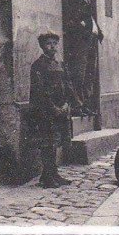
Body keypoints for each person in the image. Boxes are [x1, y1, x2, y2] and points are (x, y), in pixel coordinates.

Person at [29, 32, 75, 188]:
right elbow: (39, 91)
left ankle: (52, 173)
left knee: (56, 142)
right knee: (47, 143)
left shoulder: (60, 64)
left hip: (61, 109)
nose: (52, 46)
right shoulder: (38, 65)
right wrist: (53, 108)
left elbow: (68, 85)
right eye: (48, 43)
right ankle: (48, 177)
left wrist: (67, 104)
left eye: (55, 43)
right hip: (46, 111)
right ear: (42, 46)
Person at [64, 0, 103, 116]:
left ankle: (85, 104)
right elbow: (72, 23)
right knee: (78, 74)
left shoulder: (88, 3)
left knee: (89, 74)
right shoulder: (73, 2)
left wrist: (98, 32)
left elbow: (90, 21)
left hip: (91, 43)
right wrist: (82, 29)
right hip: (80, 44)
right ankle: (77, 105)